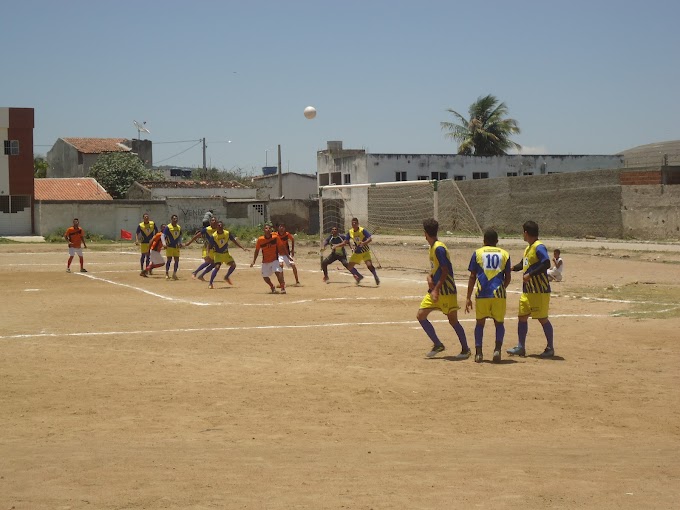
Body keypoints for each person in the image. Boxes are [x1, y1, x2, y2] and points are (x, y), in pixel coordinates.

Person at [417, 218, 471, 360]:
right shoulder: (433, 247)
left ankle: (466, 350)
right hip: (436, 290)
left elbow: (445, 270)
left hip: (446, 291)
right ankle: (438, 344)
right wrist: (429, 277)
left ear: (425, 233)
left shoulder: (439, 248)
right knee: (421, 315)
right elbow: (436, 269)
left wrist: (436, 289)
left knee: (453, 321)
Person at [507, 220, 555, 358]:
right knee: (522, 317)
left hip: (539, 291)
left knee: (542, 319)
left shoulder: (539, 247)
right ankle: (521, 347)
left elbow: (546, 263)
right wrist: (512, 268)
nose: (522, 234)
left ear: (526, 233)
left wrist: (530, 274)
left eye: (523, 232)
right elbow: (524, 264)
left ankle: (550, 348)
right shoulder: (529, 248)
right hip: (528, 291)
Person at [465, 229, 512, 363]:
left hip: (482, 293)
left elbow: (472, 276)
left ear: (484, 241)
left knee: (480, 323)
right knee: (499, 323)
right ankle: (497, 350)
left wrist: (468, 297)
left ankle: (479, 353)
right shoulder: (505, 254)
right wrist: (502, 289)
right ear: (497, 241)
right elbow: (508, 277)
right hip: (499, 294)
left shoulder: (478, 253)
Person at [206, 221, 248, 289]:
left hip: (226, 254)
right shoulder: (214, 236)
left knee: (233, 265)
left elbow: (234, 241)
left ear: (223, 226)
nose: (220, 227)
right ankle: (210, 283)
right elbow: (209, 245)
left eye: (221, 226)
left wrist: (242, 247)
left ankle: (226, 276)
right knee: (217, 267)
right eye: (218, 226)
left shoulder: (227, 233)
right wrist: (208, 254)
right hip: (217, 254)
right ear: (216, 227)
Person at [341, 217, 379, 286]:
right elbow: (345, 242)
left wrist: (364, 243)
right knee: (349, 267)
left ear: (358, 224)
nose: (354, 224)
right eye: (353, 223)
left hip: (365, 251)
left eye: (355, 223)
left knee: (369, 265)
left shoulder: (362, 230)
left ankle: (375, 276)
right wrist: (337, 245)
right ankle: (359, 276)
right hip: (357, 252)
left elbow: (370, 239)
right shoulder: (350, 232)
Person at [250, 224, 286, 294]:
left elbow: (281, 247)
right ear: (264, 230)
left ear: (271, 230)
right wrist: (253, 261)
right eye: (266, 228)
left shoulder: (275, 238)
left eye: (269, 228)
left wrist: (285, 257)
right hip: (265, 261)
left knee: (278, 272)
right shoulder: (260, 240)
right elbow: (257, 250)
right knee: (265, 277)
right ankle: (272, 287)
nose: (268, 230)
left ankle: (282, 287)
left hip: (274, 259)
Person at [184, 216, 218, 280]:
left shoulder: (218, 229)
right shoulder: (207, 229)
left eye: (215, 221)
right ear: (210, 222)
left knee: (214, 264)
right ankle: (195, 272)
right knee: (208, 261)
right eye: (213, 221)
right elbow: (196, 236)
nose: (214, 222)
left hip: (214, 250)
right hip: (206, 248)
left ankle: (201, 275)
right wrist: (189, 243)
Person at [162, 214, 183, 280]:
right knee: (169, 260)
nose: (175, 220)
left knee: (177, 260)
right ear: (171, 219)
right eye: (174, 219)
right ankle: (167, 273)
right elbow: (163, 236)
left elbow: (180, 236)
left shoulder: (179, 227)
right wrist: (164, 244)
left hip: (176, 247)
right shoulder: (168, 227)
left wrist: (180, 243)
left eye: (176, 219)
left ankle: (174, 274)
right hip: (169, 246)